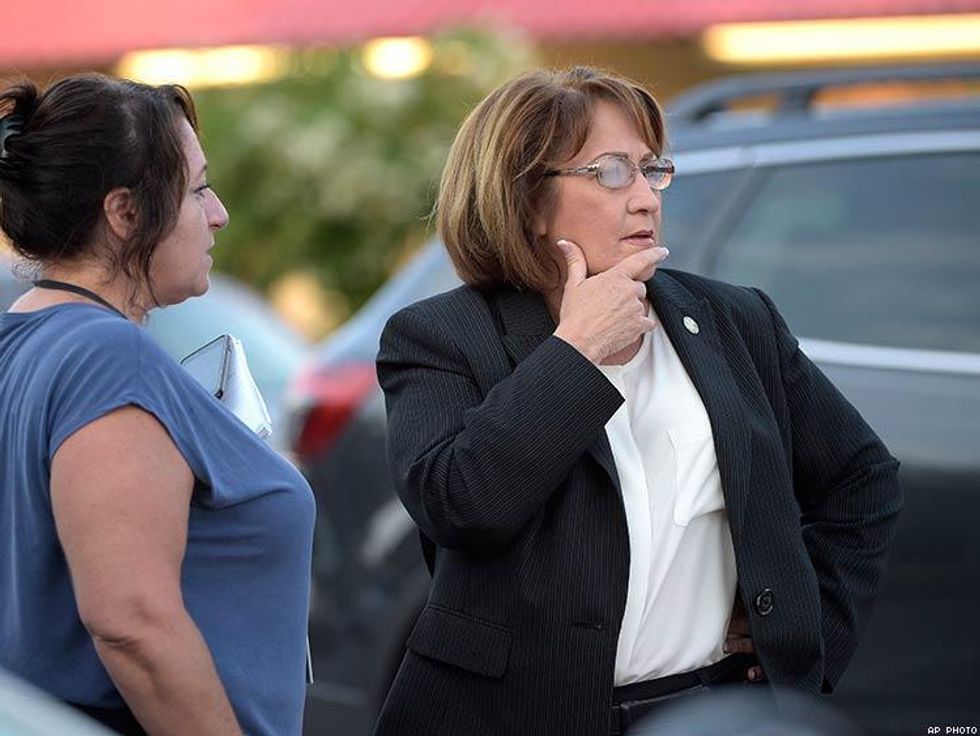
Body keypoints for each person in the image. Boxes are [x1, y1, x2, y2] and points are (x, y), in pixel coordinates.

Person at [374, 66, 903, 736]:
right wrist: (577, 352)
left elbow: (863, 479)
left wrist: (801, 626)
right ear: (527, 202)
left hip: (707, 712)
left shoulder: (734, 320)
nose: (648, 198)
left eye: (653, 170)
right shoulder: (439, 336)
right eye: (611, 172)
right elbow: (460, 504)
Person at [0, 74, 314, 736]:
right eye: (198, 189)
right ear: (124, 213)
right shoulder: (105, 356)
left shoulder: (27, 339)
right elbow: (132, 624)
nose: (219, 211)